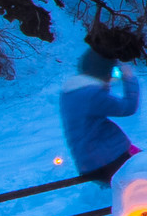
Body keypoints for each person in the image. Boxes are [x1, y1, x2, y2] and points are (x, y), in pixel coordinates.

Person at [59, 38, 141, 185]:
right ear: (104, 71)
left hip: (89, 160)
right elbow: (128, 107)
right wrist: (130, 78)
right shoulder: (92, 95)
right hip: (108, 159)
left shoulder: (70, 92)